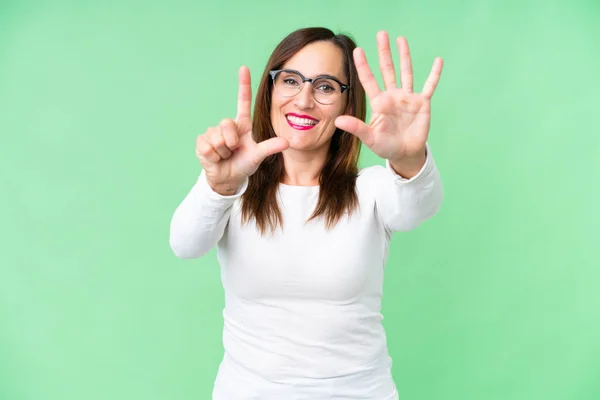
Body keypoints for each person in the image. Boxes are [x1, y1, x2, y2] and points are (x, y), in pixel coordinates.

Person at [170, 26, 444, 400]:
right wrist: (218, 185)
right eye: (291, 80)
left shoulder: (372, 188)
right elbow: (185, 243)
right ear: (270, 89)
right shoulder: (236, 182)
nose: (303, 100)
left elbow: (417, 208)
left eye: (326, 86)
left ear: (348, 104)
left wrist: (408, 156)